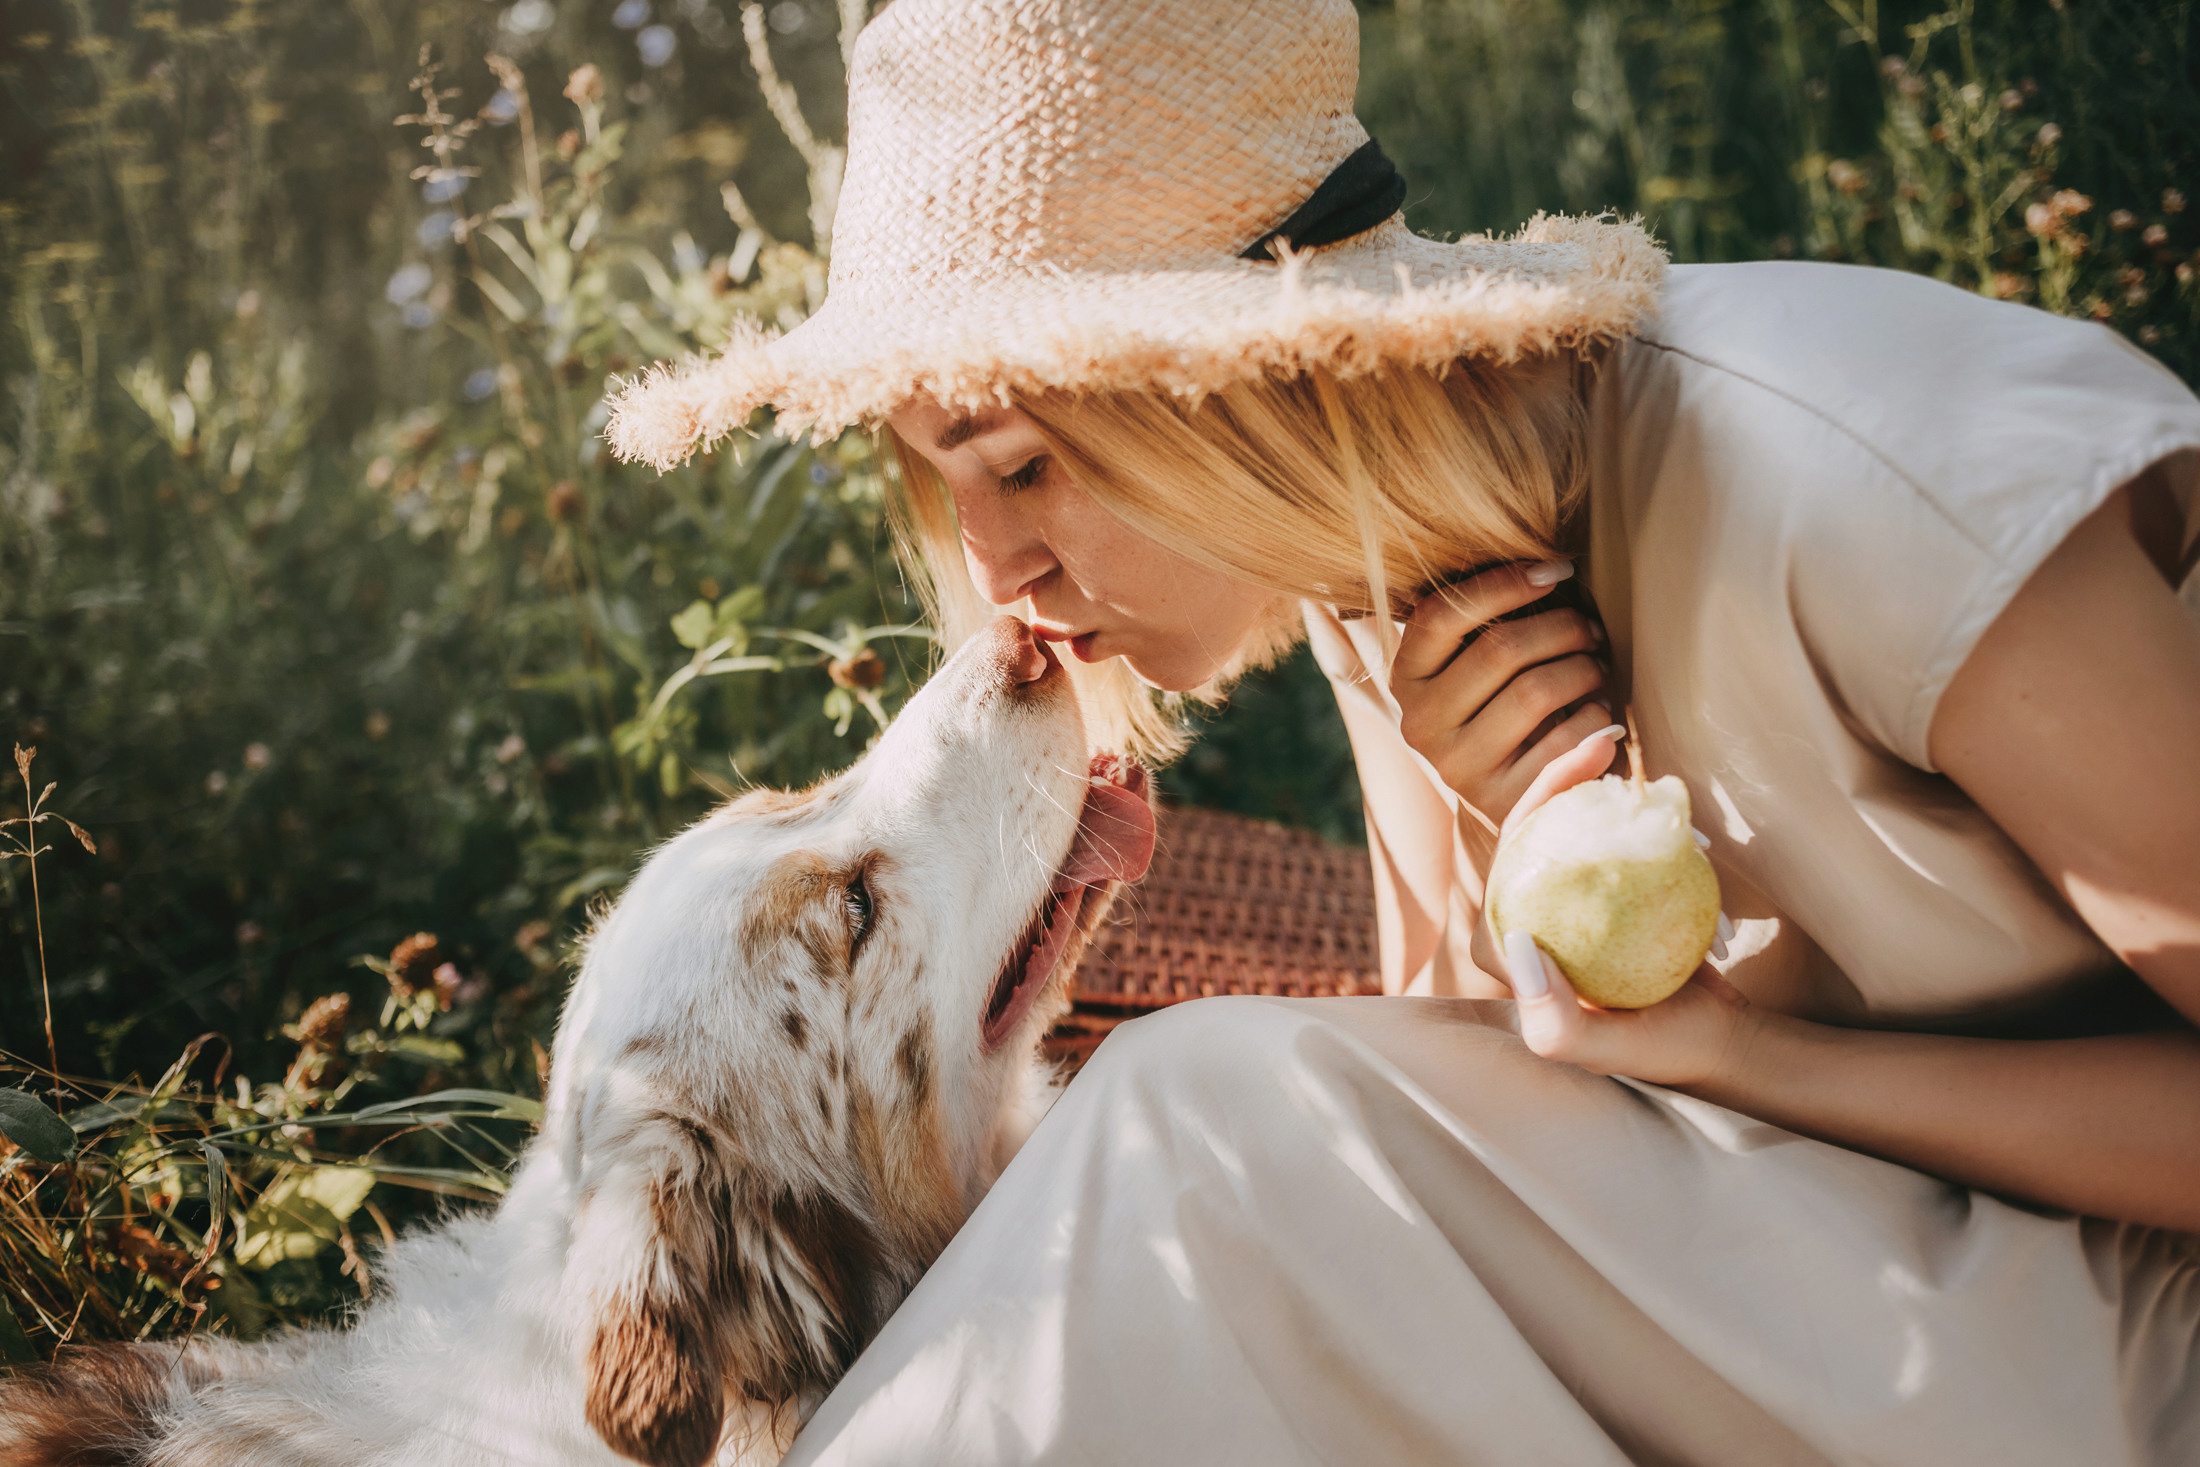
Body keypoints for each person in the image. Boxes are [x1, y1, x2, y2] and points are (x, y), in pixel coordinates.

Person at [610, 0, 2200, 1461]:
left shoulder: (1858, 490)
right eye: (944, 484)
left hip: (2132, 1341)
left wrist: (1739, 1053)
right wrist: (1507, 830)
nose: (994, 572)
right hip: (1860, 1300)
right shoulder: (1380, 577)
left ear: (1239, 379)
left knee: (1190, 1123)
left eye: (1023, 466)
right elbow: (1451, 1180)